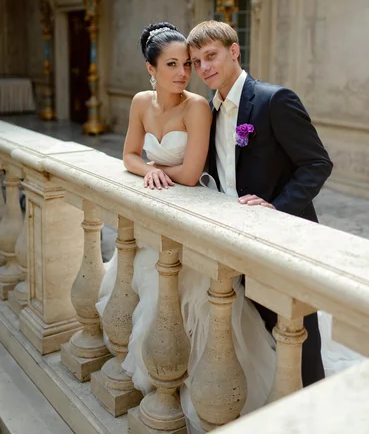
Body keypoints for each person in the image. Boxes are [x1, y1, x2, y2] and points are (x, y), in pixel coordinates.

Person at [97, 22, 277, 433]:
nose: (184, 73)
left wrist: (158, 169)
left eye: (189, 64)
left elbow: (193, 173)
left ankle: (200, 391)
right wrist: (150, 171)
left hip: (191, 214)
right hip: (154, 217)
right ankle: (163, 383)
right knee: (148, 294)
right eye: (174, 64)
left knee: (194, 298)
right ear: (152, 68)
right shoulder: (141, 102)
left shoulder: (197, 106)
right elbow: (128, 155)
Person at [187, 19, 334, 386]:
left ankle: (312, 408)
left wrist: (276, 209)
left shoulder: (274, 100)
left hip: (283, 240)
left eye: (211, 56)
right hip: (235, 243)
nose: (204, 68)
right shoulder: (210, 109)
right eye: (196, 62)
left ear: (234, 51)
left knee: (297, 337)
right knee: (256, 333)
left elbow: (317, 163)